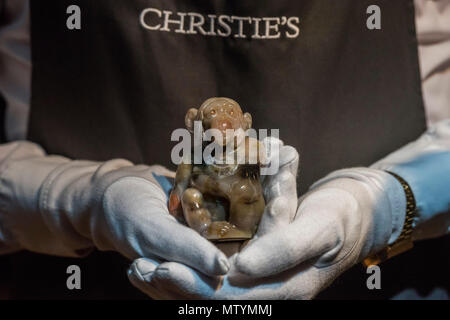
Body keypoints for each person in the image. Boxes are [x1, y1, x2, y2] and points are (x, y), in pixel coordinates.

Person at [0, 0, 448, 300]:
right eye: (212, 127)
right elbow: (183, 183)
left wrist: (379, 205)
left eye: (229, 128)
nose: (221, 135)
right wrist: (77, 200)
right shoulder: (196, 156)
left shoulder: (251, 150)